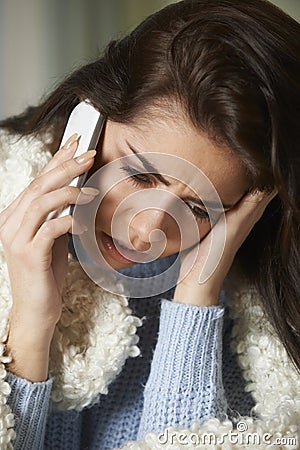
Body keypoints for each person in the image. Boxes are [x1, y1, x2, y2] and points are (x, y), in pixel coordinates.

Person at [0, 0, 299, 448]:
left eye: (201, 208)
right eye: (140, 175)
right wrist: (29, 327)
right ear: (90, 119)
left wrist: (197, 301)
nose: (146, 231)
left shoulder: (262, 340)